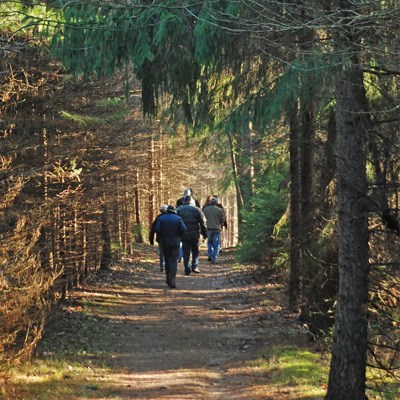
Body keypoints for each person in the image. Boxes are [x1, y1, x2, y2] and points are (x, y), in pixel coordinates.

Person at [155, 205, 187, 288]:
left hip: (164, 243)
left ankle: (167, 278)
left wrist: (162, 235)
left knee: (166, 260)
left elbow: (157, 229)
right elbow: (184, 229)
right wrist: (179, 235)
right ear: (174, 210)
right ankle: (172, 279)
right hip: (175, 243)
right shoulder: (178, 218)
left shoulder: (161, 218)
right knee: (173, 261)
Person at [176, 195, 207, 275]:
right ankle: (195, 266)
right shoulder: (197, 210)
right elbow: (203, 222)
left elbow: (176, 222)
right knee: (195, 251)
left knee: (186, 251)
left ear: (184, 201)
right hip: (194, 234)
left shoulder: (179, 210)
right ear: (191, 201)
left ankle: (187, 267)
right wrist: (204, 233)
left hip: (184, 234)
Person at [203, 197, 226, 263]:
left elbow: (203, 219)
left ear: (210, 202)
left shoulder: (205, 210)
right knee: (216, 243)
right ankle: (215, 257)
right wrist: (220, 224)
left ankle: (210, 255)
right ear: (216, 203)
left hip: (208, 228)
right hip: (217, 228)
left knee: (209, 242)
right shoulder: (220, 210)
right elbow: (222, 219)